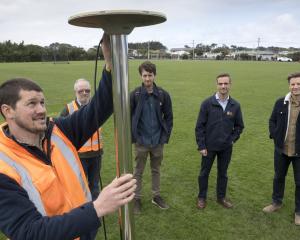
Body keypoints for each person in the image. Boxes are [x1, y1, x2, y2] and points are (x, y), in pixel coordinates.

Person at [0, 34, 136, 240]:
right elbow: (28, 232)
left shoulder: (58, 130)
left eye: (42, 103)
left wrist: (110, 63)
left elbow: (100, 107)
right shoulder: (3, 166)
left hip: (85, 232)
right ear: (8, 111)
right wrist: (97, 208)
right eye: (32, 104)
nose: (41, 110)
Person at [195, 73, 244, 209]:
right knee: (204, 173)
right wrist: (201, 145)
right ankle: (201, 197)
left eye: (226, 83)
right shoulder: (207, 103)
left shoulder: (235, 105)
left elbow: (239, 126)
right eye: (220, 83)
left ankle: (221, 197)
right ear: (216, 85)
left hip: (226, 148)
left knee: (223, 173)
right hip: (208, 147)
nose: (223, 86)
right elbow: (199, 126)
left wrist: (232, 140)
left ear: (230, 85)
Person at [130, 61, 173, 214]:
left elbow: (169, 117)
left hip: (157, 142)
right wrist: (134, 136)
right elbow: (129, 117)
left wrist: (164, 137)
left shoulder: (163, 94)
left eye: (150, 75)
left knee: (156, 170)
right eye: (144, 75)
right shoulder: (135, 95)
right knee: (138, 171)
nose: (147, 79)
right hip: (141, 141)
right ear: (141, 76)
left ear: (154, 75)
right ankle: (136, 198)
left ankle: (156, 196)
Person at [263, 72, 300, 226]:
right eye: (293, 84)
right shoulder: (281, 102)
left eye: (298, 84)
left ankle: (298, 212)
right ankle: (276, 202)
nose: (295, 87)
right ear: (289, 85)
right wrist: (275, 135)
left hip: (299, 152)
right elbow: (272, 120)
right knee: (278, 177)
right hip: (281, 150)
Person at [61, 78, 104, 200]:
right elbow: (60, 132)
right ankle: (83, 210)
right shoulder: (68, 109)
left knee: (94, 185)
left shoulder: (96, 106)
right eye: (81, 91)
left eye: (87, 90)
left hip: (96, 154)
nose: (84, 93)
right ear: (75, 92)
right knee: (80, 185)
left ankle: (96, 211)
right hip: (79, 156)